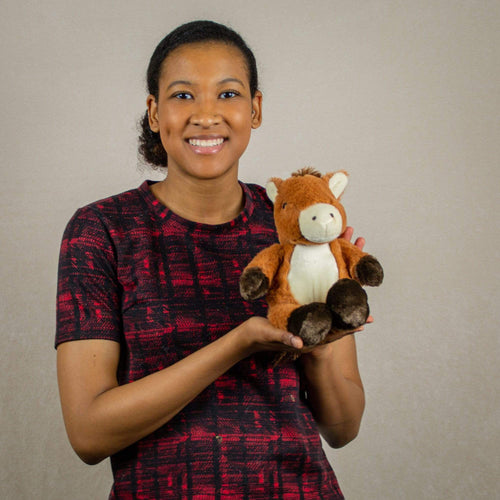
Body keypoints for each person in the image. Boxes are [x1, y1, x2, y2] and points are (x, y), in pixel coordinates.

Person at [56, 20, 367, 499]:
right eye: (183, 96)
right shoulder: (102, 231)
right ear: (154, 112)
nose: (206, 115)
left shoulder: (295, 229)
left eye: (227, 94)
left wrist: (323, 343)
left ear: (255, 109)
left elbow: (343, 428)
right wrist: (238, 343)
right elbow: (89, 434)